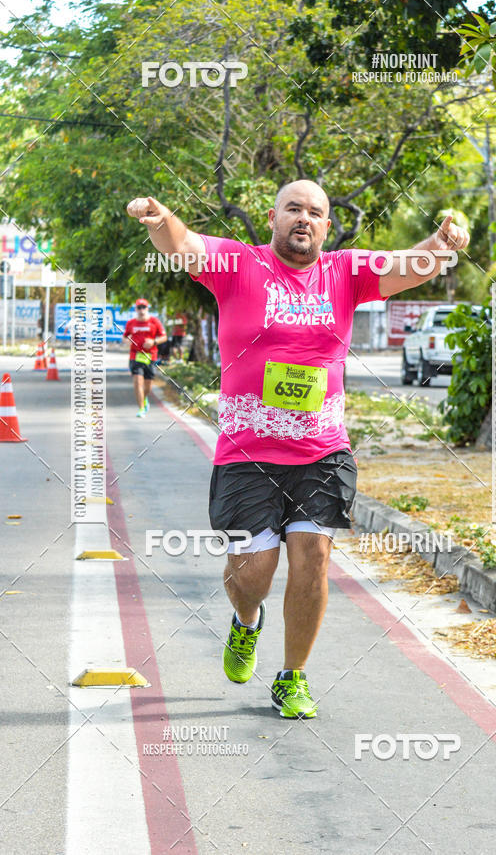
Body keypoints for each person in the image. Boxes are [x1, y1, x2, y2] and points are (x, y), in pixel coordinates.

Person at [126, 182, 469, 717]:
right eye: (294, 209)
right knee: (253, 573)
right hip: (247, 452)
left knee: (314, 557)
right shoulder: (239, 265)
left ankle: (292, 677)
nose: (304, 218)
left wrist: (443, 242)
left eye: (315, 212)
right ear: (273, 217)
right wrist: (158, 215)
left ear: (327, 227)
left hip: (322, 451)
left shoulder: (346, 272)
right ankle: (246, 622)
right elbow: (186, 244)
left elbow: (410, 264)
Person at [122, 298, 167, 418]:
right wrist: (127, 341)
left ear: (147, 309)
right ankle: (141, 408)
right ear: (136, 309)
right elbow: (125, 337)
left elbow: (164, 337)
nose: (141, 310)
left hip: (150, 356)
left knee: (148, 385)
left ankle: (144, 399)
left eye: (144, 307)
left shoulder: (154, 321)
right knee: (137, 381)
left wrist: (154, 341)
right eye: (139, 307)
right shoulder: (131, 323)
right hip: (135, 355)